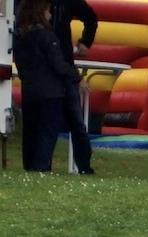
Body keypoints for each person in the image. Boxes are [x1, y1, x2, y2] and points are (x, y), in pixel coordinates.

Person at [13, 0, 80, 173]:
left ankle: (30, 167)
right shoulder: (46, 36)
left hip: (29, 91)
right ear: (41, 12)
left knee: (31, 133)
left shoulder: (20, 36)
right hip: (50, 91)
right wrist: (76, 76)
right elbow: (57, 64)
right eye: (48, 10)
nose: (50, 14)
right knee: (47, 132)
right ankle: (41, 167)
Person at [48, 0, 97, 174]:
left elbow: (91, 17)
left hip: (63, 64)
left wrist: (86, 41)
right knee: (58, 121)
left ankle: (83, 166)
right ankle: (43, 164)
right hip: (50, 66)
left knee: (75, 121)